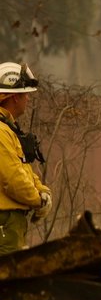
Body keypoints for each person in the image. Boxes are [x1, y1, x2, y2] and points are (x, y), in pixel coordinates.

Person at [0, 62, 51, 255]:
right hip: (4, 225)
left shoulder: (7, 129)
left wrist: (42, 191)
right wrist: (38, 200)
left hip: (9, 224)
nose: (28, 99)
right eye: (26, 94)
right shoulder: (1, 132)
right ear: (14, 97)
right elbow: (13, 180)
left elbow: (23, 170)